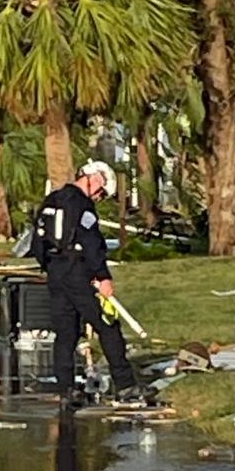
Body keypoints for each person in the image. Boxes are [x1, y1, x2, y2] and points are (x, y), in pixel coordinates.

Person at [32, 160, 153, 408]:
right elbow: (92, 243)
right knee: (107, 325)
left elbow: (37, 242)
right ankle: (126, 384)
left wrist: (49, 266)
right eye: (100, 192)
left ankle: (66, 389)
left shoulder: (50, 201)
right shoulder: (83, 206)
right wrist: (102, 276)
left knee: (65, 333)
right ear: (95, 178)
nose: (98, 198)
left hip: (55, 272)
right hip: (78, 271)